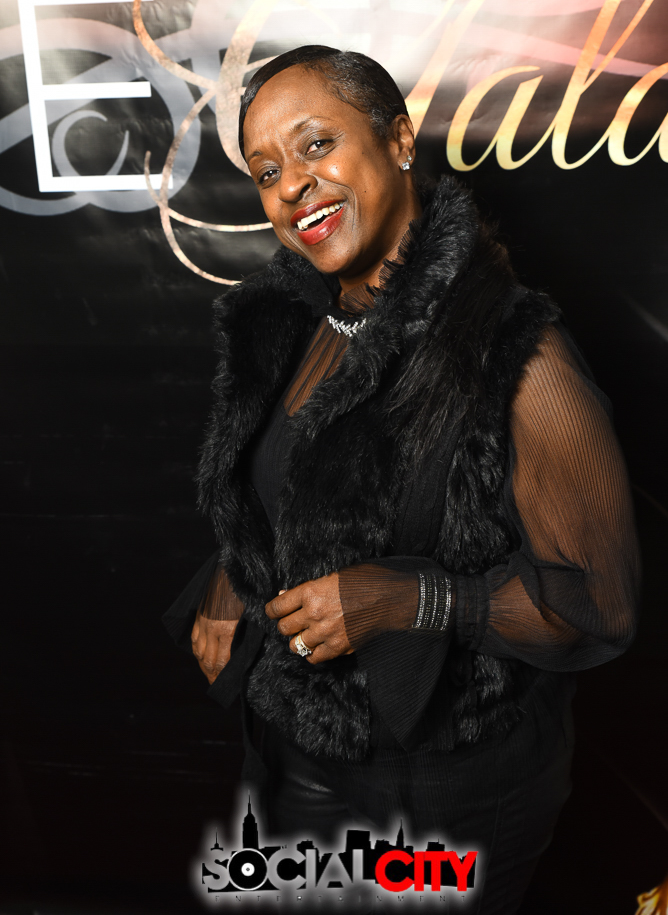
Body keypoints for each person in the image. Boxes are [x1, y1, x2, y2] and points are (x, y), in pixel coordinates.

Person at [163, 46, 640, 914]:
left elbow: (597, 606)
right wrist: (238, 567)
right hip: (293, 757)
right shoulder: (298, 323)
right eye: (267, 171)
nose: (292, 185)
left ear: (400, 140)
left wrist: (411, 600)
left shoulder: (518, 356)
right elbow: (294, 489)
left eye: (316, 145)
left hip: (443, 796)